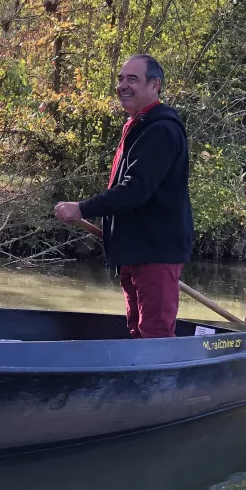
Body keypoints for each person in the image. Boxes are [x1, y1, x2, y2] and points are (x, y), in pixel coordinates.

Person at [53, 54, 193, 339]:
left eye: (132, 79)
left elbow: (135, 190)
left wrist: (82, 208)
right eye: (120, 79)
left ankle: (161, 384)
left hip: (156, 251)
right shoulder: (138, 126)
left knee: (154, 334)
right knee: (136, 330)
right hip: (134, 250)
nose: (122, 86)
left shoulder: (161, 130)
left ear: (155, 85)